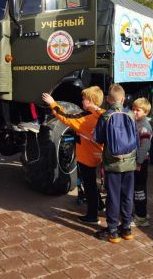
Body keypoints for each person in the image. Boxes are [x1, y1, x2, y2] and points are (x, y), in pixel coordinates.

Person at [42, 87, 105, 225]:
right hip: (99, 155)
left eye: (84, 98)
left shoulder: (84, 119)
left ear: (90, 100)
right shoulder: (103, 114)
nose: (82, 100)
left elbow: (66, 118)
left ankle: (92, 216)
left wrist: (52, 103)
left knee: (89, 186)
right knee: (93, 183)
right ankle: (100, 205)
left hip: (86, 158)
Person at [94, 84, 138, 243]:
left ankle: (113, 230)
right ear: (124, 98)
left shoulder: (106, 116)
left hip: (112, 163)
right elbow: (136, 138)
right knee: (127, 195)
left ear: (108, 99)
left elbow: (98, 138)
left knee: (113, 196)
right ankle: (126, 228)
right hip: (130, 162)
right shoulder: (131, 114)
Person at [131, 98, 153, 227]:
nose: (134, 112)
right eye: (133, 109)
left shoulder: (144, 127)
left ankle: (141, 217)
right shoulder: (138, 122)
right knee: (140, 188)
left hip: (140, 162)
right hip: (139, 161)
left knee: (138, 190)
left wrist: (138, 162)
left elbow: (144, 147)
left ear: (145, 112)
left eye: (137, 110)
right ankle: (142, 212)